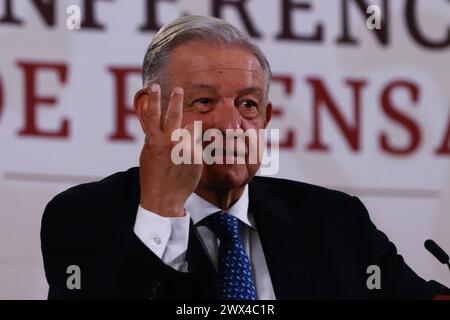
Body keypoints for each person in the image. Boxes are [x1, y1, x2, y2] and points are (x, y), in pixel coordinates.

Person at [41, 15, 449, 300]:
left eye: (248, 105)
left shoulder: (334, 220)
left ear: (266, 117)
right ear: (150, 112)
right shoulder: (82, 217)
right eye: (203, 101)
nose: (232, 125)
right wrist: (163, 211)